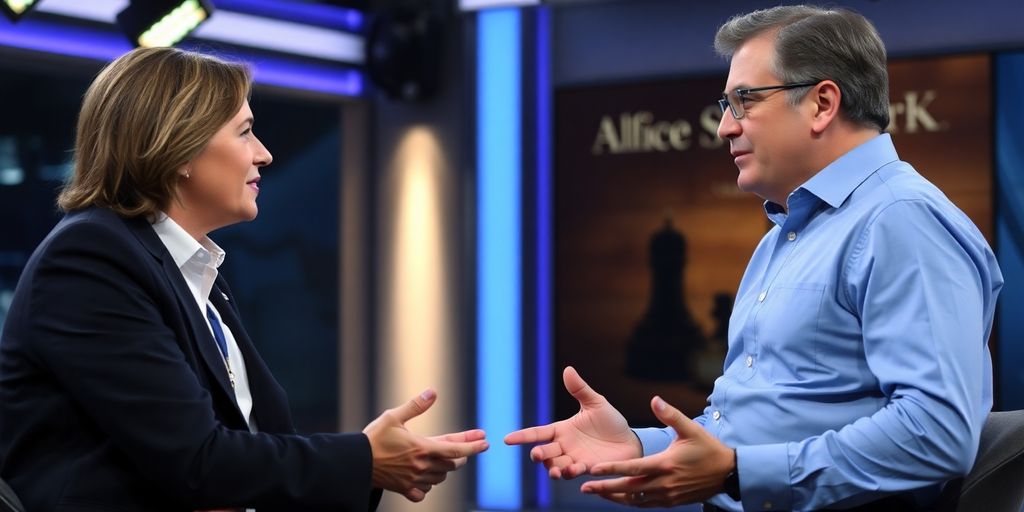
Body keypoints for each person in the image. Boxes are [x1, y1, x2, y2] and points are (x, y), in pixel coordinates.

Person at [506, 5, 1002, 511]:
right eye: (726, 103)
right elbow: (754, 424)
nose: (724, 127)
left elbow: (937, 433)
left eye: (743, 100)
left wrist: (738, 474)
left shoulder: (901, 220)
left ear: (822, 103)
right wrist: (638, 444)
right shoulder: (783, 235)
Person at [0, 47, 488, 512]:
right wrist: (365, 459)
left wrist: (371, 464)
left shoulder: (194, 274)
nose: (265, 154)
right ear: (179, 148)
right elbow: (195, 460)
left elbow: (248, 453)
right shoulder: (91, 258)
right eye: (245, 132)